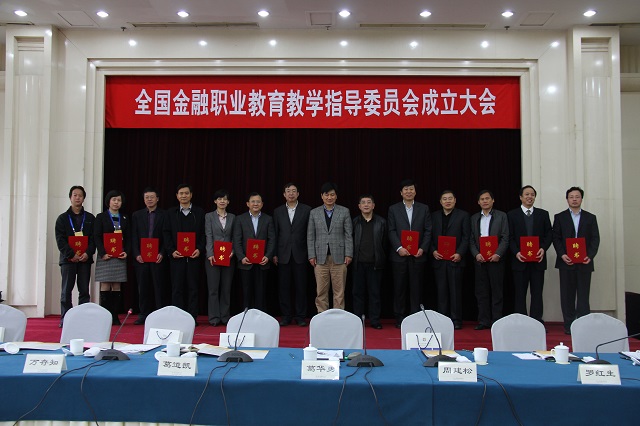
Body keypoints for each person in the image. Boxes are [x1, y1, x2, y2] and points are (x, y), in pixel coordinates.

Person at [552, 186, 600, 335]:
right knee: (567, 295)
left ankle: (583, 325)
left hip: (584, 262)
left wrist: (589, 255)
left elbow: (595, 239)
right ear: (567, 199)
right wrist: (562, 255)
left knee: (583, 295)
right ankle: (569, 325)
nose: (574, 199)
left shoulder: (590, 217)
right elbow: (556, 238)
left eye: (577, 197)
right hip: (566, 262)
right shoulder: (559, 217)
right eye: (571, 197)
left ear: (581, 199)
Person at [387, 179, 432, 328]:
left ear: (415, 191)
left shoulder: (424, 208)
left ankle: (415, 317)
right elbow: (391, 230)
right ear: (401, 192)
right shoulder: (393, 209)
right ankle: (399, 318)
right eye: (405, 189)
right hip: (399, 256)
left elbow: (428, 230)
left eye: (411, 189)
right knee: (399, 288)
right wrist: (399, 248)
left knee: (416, 288)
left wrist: (423, 248)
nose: (408, 191)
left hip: (418, 255)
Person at [507, 185, 553, 324]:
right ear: (521, 197)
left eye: (532, 194)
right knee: (520, 294)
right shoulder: (512, 215)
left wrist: (543, 248)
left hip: (538, 260)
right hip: (519, 260)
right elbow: (509, 237)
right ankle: (521, 323)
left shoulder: (543, 214)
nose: (529, 197)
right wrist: (516, 252)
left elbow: (549, 234)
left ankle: (536, 322)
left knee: (537, 293)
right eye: (526, 194)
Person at [307, 182, 353, 312]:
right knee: (321, 291)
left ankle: (338, 317)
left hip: (339, 257)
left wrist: (349, 254)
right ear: (322, 196)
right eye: (326, 195)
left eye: (332, 195)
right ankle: (322, 316)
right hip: (320, 258)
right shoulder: (314, 213)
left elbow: (348, 234)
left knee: (339, 291)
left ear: (336, 196)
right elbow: (310, 235)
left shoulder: (344, 211)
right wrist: (311, 255)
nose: (329, 197)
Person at [54, 185, 96, 328]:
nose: (77, 198)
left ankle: (83, 318)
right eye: (75, 195)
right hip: (68, 260)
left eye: (80, 195)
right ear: (70, 197)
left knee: (84, 290)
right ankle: (66, 318)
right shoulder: (62, 218)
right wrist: (71, 254)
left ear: (84, 198)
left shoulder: (90, 218)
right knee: (66, 290)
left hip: (84, 260)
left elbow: (93, 239)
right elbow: (60, 240)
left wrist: (87, 253)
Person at [164, 184, 206, 321]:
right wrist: (172, 251)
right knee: (177, 288)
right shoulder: (171, 213)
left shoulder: (199, 212)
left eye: (186, 193)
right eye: (181, 193)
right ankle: (178, 318)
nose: (184, 196)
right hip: (177, 257)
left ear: (191, 195)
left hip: (194, 257)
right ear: (177, 196)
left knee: (193, 288)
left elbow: (204, 234)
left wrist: (199, 249)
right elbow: (166, 233)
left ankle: (192, 317)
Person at [273, 183, 311, 327]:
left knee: (301, 287)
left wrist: (310, 253)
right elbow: (275, 234)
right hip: (283, 254)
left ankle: (300, 316)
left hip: (301, 254)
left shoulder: (307, 210)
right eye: (288, 191)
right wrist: (274, 253)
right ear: (284, 194)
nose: (291, 194)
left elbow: (310, 233)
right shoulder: (278, 211)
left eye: (294, 191)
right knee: (284, 288)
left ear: (298, 194)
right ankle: (286, 316)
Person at [469, 190, 509, 330]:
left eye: (487, 198)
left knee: (497, 292)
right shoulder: (474, 218)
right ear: (478, 202)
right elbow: (471, 239)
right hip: (480, 260)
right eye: (482, 199)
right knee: (481, 292)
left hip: (496, 260)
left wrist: (498, 254)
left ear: (493, 200)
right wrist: (476, 254)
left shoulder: (501, 216)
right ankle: (483, 321)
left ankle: (496, 321)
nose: (485, 201)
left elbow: (505, 237)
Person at [431, 190, 470, 330]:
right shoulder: (434, 216)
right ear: (440, 202)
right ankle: (442, 320)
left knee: (455, 292)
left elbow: (466, 237)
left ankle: (456, 320)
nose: (447, 201)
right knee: (441, 292)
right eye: (444, 199)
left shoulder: (463, 215)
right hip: (439, 259)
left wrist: (460, 253)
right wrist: (433, 251)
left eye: (450, 198)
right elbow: (429, 235)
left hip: (455, 259)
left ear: (455, 200)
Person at [131, 187, 168, 325]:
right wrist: (136, 254)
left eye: (152, 197)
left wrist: (162, 253)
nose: (149, 199)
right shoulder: (137, 215)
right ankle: (143, 314)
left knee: (159, 287)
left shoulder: (164, 215)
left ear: (157, 199)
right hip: (142, 258)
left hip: (158, 257)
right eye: (147, 197)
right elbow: (134, 236)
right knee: (143, 287)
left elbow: (167, 236)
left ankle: (160, 314)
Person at [233, 192, 275, 311]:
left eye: (258, 202)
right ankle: (246, 316)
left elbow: (272, 240)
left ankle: (260, 317)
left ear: (262, 204)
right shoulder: (240, 219)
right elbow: (237, 240)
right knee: (246, 292)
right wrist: (241, 257)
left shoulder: (268, 219)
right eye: (253, 201)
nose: (255, 204)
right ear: (248, 204)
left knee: (261, 292)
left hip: (262, 262)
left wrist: (268, 256)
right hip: (246, 262)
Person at [94, 190, 130, 325]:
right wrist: (102, 253)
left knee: (116, 285)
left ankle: (115, 316)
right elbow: (97, 236)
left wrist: (126, 251)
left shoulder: (124, 218)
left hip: (119, 256)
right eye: (114, 200)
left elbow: (129, 237)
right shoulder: (101, 217)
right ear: (108, 201)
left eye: (119, 200)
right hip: (105, 256)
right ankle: (105, 316)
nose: (116, 202)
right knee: (105, 284)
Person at [352, 194, 387, 329]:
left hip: (375, 264)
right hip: (358, 264)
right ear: (359, 206)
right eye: (363, 202)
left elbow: (385, 243)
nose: (366, 205)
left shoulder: (381, 222)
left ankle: (375, 320)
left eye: (369, 202)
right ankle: (357, 321)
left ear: (373, 205)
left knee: (375, 293)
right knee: (357, 294)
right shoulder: (354, 222)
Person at [204, 189, 236, 326]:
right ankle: (214, 317)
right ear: (215, 201)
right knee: (213, 289)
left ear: (228, 202)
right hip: (213, 258)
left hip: (228, 257)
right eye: (219, 199)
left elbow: (235, 236)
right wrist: (210, 254)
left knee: (226, 288)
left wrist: (233, 251)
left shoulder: (233, 217)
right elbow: (208, 235)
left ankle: (225, 316)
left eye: (224, 199)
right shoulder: (209, 216)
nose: (222, 201)